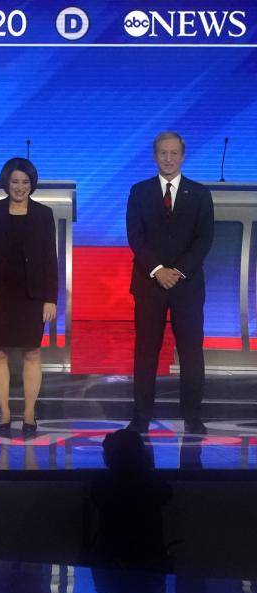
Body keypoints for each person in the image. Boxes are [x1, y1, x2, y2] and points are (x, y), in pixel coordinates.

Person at [126, 131, 213, 434]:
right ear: (154, 156)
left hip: (187, 286)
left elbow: (204, 239)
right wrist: (158, 270)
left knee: (190, 351)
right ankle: (141, 415)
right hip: (150, 284)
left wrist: (177, 271)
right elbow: (135, 237)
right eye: (163, 153)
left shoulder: (200, 193)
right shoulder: (139, 191)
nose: (168, 158)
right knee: (146, 350)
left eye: (174, 153)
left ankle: (192, 414)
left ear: (183, 155)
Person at [0, 157, 57, 433]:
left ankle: (29, 413)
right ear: (6, 183)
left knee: (31, 352)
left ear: (32, 184)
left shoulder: (44, 215)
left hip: (31, 295)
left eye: (25, 182)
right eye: (15, 182)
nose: (20, 187)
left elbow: (50, 259)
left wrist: (50, 298)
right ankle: (5, 414)